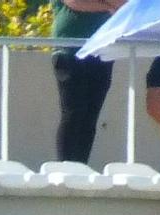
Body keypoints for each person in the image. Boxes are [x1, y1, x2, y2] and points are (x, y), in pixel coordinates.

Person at [50, 0, 120, 164]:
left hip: (101, 50)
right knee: (74, 111)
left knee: (90, 115)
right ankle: (66, 167)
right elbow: (75, 2)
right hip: (70, 49)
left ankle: (80, 166)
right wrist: (107, 6)